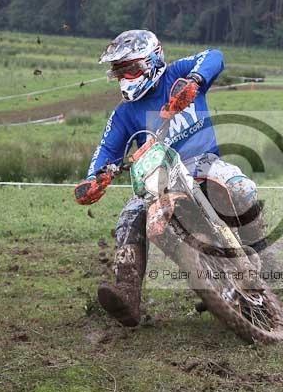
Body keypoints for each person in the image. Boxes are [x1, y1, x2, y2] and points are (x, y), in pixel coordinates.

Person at [73, 30, 269, 327]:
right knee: (129, 216)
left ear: (152, 60)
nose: (126, 77)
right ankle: (127, 295)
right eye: (119, 72)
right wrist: (95, 178)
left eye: (131, 69)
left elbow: (214, 55)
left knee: (239, 188)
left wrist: (195, 81)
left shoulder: (176, 75)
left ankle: (258, 253)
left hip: (203, 163)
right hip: (159, 179)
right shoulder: (124, 114)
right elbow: (108, 150)